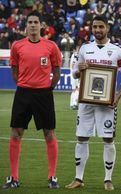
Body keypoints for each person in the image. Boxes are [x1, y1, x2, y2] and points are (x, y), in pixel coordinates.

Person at [65, 16, 121, 191]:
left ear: (107, 28)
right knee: (81, 137)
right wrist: (80, 69)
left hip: (107, 102)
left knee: (108, 138)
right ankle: (78, 178)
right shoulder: (85, 48)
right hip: (86, 101)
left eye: (101, 26)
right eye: (94, 27)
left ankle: (108, 179)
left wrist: (117, 95)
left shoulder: (117, 50)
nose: (97, 30)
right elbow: (75, 73)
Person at [2, 11, 62, 189]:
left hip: (44, 94)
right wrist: (23, 84)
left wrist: (47, 88)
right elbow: (14, 71)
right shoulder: (17, 46)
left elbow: (57, 72)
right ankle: (14, 178)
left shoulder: (51, 46)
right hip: (23, 93)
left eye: (36, 22)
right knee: (16, 132)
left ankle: (52, 177)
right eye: (30, 22)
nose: (33, 25)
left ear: (41, 25)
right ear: (26, 25)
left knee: (49, 133)